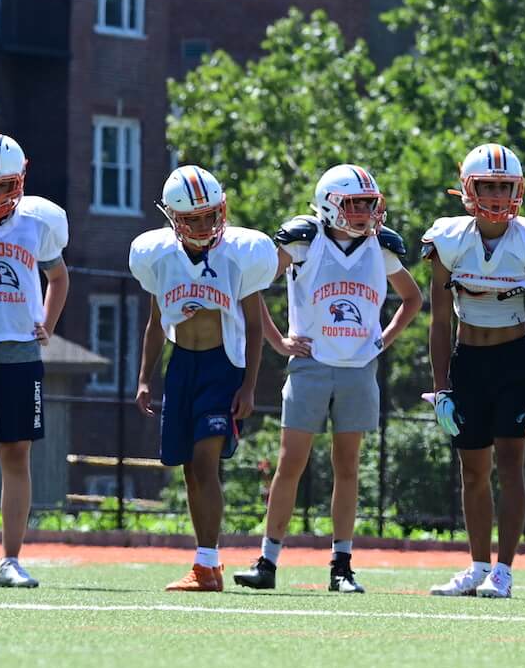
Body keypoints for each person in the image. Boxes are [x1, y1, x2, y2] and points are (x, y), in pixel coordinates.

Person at [233, 165, 423, 594]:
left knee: (347, 468)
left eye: (368, 204)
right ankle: (267, 560)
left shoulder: (382, 246)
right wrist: (279, 342)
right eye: (354, 203)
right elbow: (251, 287)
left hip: (359, 368)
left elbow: (413, 298)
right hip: (312, 365)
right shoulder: (304, 239)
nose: (363, 212)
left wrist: (384, 339)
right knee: (290, 463)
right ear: (329, 204)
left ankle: (341, 565)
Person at [422, 144, 525, 600]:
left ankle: (503, 570)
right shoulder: (448, 239)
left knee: (511, 464)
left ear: (519, 188)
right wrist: (441, 388)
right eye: (487, 185)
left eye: (504, 185)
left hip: (513, 361)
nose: (496, 194)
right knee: (472, 470)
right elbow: (440, 321)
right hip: (468, 361)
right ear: (467, 188)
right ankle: (477, 565)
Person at [129, 166, 277, 591]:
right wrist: (144, 378)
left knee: (205, 461)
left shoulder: (240, 253)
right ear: (173, 218)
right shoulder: (157, 256)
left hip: (221, 367)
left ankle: (206, 563)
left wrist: (248, 384)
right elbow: (157, 322)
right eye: (191, 218)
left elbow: (253, 325)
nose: (203, 225)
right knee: (189, 469)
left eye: (209, 215)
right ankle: (207, 564)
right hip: (182, 367)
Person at [0, 134, 69, 589]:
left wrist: (47, 323)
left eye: (3, 185)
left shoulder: (36, 223)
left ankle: (10, 559)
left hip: (19, 353)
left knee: (15, 454)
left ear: (20, 181)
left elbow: (58, 275)